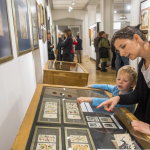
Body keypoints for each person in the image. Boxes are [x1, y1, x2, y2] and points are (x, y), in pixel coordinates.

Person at [97, 24, 150, 135]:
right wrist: (118, 98)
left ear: (136, 39)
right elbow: (139, 94)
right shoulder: (142, 64)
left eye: (123, 46)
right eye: (119, 50)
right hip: (141, 122)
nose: (121, 53)